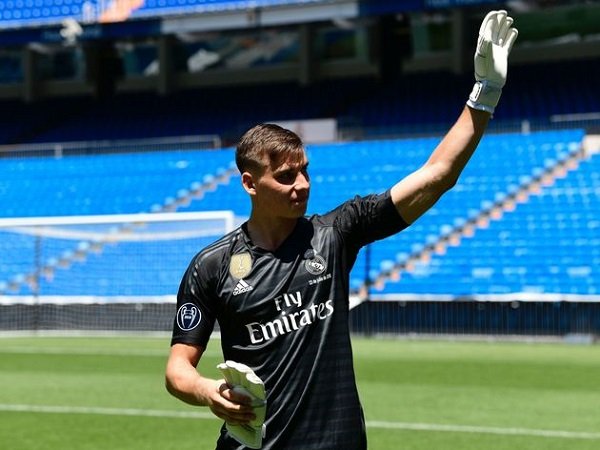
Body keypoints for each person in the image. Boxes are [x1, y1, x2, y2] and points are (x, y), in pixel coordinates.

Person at [165, 10, 518, 450]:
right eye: (287, 177)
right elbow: (178, 370)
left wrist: (485, 93)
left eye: (306, 172)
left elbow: (438, 175)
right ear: (250, 183)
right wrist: (210, 393)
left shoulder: (334, 234)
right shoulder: (212, 266)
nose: (303, 186)